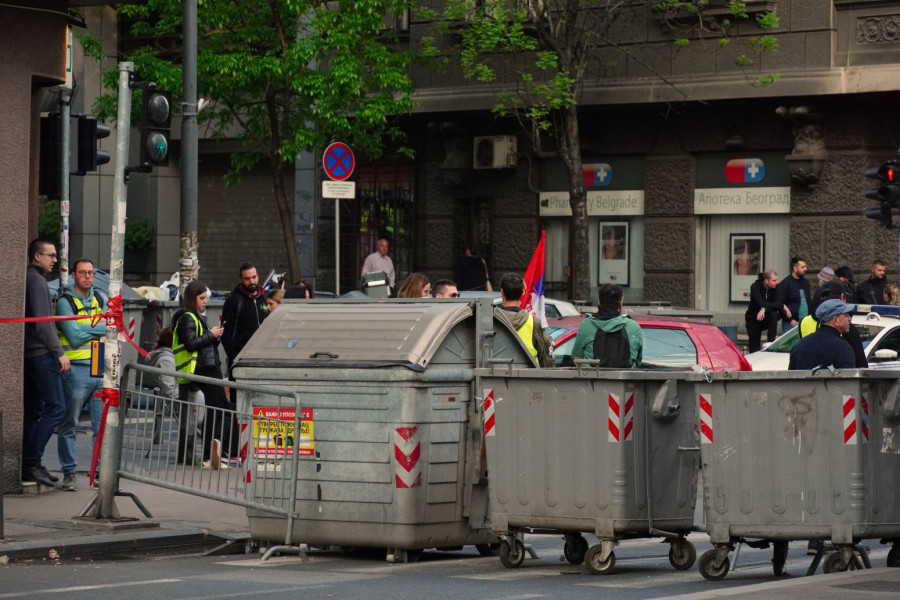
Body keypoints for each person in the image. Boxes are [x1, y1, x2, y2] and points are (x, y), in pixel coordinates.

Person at [54, 258, 107, 491]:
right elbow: (73, 338)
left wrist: (83, 326)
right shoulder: (65, 302)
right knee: (69, 423)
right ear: (74, 275)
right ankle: (69, 473)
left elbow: (111, 327)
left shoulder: (100, 298)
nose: (87, 276)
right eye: (83, 272)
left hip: (98, 366)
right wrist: (96, 327)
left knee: (101, 426)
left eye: (91, 273)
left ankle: (99, 473)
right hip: (75, 370)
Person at [173, 281, 238, 469]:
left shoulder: (195, 317)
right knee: (219, 408)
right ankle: (211, 454)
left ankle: (215, 452)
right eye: (201, 298)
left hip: (207, 365)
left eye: (206, 298)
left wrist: (214, 336)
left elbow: (203, 346)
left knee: (220, 408)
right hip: (202, 368)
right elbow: (191, 344)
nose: (205, 302)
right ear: (192, 299)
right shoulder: (188, 317)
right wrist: (211, 334)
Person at [22, 239, 70, 487]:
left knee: (33, 411)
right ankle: (31, 461)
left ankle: (28, 463)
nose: (55, 260)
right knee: (56, 408)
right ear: (37, 256)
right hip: (41, 355)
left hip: (29, 354)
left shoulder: (30, 279)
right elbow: (44, 324)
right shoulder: (38, 281)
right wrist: (59, 353)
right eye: (50, 255)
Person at [572, 283, 643, 368]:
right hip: (625, 376)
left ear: (599, 304)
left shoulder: (586, 325)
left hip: (592, 376)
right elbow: (638, 361)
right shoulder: (633, 327)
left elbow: (576, 356)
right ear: (620, 305)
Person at [493, 272, 555, 367]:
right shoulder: (534, 322)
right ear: (523, 292)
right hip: (528, 375)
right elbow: (545, 358)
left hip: (496, 375)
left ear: (502, 292)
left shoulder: (492, 321)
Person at [799, 281, 866, 368]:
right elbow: (861, 366)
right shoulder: (846, 335)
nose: (849, 318)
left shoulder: (804, 323)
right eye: (846, 315)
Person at [221, 262, 268, 377]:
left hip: (263, 359)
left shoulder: (264, 298)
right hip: (241, 361)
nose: (252, 281)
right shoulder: (233, 301)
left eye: (254, 277)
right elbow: (225, 334)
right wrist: (234, 359)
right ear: (241, 279)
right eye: (247, 279)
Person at [788, 299, 856, 371]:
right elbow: (848, 377)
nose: (850, 318)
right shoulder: (842, 348)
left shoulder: (799, 346)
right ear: (836, 320)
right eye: (846, 315)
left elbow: (791, 376)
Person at [744, 270, 786, 353]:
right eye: (774, 280)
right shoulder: (755, 287)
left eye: (776, 280)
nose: (777, 282)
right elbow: (760, 302)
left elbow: (778, 304)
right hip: (754, 318)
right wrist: (764, 306)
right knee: (754, 346)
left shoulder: (776, 287)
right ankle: (754, 356)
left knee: (773, 315)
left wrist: (764, 308)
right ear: (766, 281)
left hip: (767, 317)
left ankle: (771, 343)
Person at [777, 256, 809, 332]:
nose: (805, 269)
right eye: (802, 267)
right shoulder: (785, 284)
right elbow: (780, 304)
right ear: (795, 269)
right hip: (791, 324)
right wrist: (790, 320)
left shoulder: (805, 282)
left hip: (805, 322)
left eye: (805, 266)